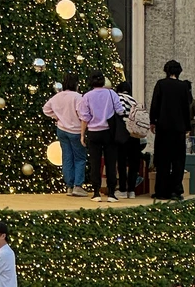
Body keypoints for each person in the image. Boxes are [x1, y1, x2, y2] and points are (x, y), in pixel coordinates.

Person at [77, 71, 125, 201]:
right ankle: (111, 193)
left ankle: (96, 193)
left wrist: (82, 134)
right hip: (109, 131)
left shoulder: (86, 96)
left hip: (93, 132)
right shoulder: (111, 93)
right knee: (111, 162)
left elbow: (84, 117)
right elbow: (120, 110)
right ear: (103, 81)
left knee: (95, 163)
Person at [150, 60, 192, 201]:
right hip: (179, 128)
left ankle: (161, 191)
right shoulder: (183, 87)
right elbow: (187, 108)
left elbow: (155, 104)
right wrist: (188, 127)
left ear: (166, 70)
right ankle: (176, 190)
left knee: (162, 160)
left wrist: (152, 121)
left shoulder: (161, 84)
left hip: (163, 128)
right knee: (178, 161)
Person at [42, 73, 86, 196]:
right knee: (80, 158)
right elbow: (82, 114)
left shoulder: (57, 97)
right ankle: (78, 185)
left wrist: (56, 117)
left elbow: (46, 109)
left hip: (61, 129)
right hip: (76, 130)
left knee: (67, 157)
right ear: (76, 84)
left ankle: (69, 186)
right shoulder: (78, 97)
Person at [116, 77, 148, 198]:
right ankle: (132, 190)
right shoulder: (135, 101)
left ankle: (123, 189)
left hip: (122, 134)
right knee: (134, 162)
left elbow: (118, 113)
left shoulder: (118, 98)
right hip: (135, 134)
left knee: (122, 162)